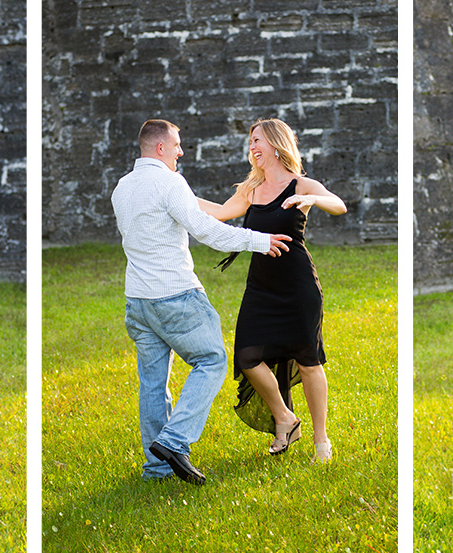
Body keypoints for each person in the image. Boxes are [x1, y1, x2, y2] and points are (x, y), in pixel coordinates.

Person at [111, 119, 292, 485]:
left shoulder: (122, 188)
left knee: (152, 384)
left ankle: (157, 468)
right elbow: (206, 229)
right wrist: (258, 240)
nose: (181, 151)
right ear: (160, 148)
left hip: (138, 302)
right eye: (176, 145)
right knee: (212, 360)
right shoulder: (169, 182)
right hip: (175, 296)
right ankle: (174, 441)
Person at [198, 119, 346, 463]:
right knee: (247, 356)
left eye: (257, 140)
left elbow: (338, 205)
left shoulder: (300, 184)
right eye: (250, 142)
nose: (251, 147)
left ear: (277, 145)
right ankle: (285, 417)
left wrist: (311, 197)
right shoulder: (251, 188)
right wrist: (179, 194)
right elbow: (220, 213)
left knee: (309, 361)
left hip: (297, 287)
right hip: (261, 287)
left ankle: (321, 440)